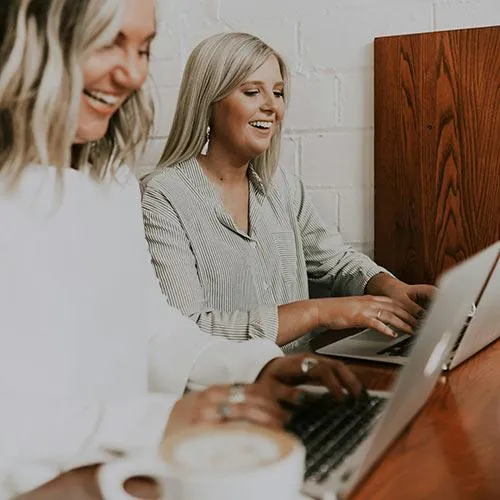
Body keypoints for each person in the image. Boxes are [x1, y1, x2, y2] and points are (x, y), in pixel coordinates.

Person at [0, 3, 362, 498]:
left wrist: (256, 367)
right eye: (108, 42)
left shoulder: (111, 184)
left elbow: (156, 330)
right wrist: (158, 421)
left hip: (127, 474)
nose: (132, 74)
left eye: (144, 49)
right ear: (34, 36)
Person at [141, 32, 436, 347]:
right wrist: (316, 312)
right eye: (252, 92)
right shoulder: (162, 196)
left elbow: (336, 262)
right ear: (208, 101)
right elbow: (189, 330)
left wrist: (393, 288)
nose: (272, 106)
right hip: (227, 380)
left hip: (301, 372)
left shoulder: (282, 187)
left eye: (278, 93)